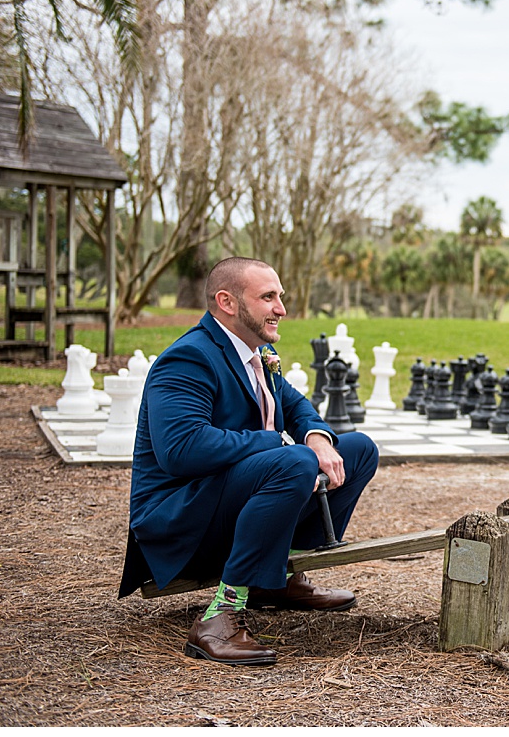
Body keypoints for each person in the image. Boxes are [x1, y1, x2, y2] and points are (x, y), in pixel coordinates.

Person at [118, 257, 379, 666]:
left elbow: (295, 405)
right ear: (226, 301)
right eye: (268, 297)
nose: (281, 309)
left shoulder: (259, 353)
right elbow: (181, 449)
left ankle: (271, 581)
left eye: (280, 297)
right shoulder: (188, 358)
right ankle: (219, 618)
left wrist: (315, 436)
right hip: (181, 518)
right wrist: (279, 445)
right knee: (292, 461)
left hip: (227, 501)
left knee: (358, 448)